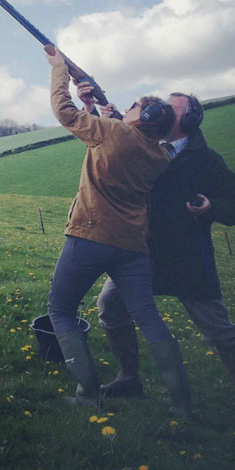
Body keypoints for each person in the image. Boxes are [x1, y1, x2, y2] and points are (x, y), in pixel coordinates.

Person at [77, 83, 235, 426]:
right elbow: (105, 141)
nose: (160, 109)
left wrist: (211, 207)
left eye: (171, 107)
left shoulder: (208, 161)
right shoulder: (142, 143)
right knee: (110, 307)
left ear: (189, 120)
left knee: (222, 334)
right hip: (139, 254)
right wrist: (92, 107)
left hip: (188, 260)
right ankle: (129, 379)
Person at [46, 46, 191, 414]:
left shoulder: (113, 133)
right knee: (149, 319)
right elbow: (110, 142)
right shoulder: (159, 154)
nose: (126, 109)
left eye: (134, 108)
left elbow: (64, 113)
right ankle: (181, 402)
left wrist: (59, 69)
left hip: (90, 236)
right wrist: (95, 108)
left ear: (144, 117)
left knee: (60, 309)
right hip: (132, 246)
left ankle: (88, 395)